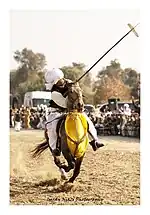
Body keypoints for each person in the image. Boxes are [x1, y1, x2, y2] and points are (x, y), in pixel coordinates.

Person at [44, 68, 104, 156]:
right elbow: (64, 105)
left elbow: (78, 93)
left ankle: (95, 141)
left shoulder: (70, 83)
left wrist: (75, 88)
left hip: (73, 110)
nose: (57, 83)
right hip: (58, 112)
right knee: (52, 129)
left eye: (58, 81)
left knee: (87, 122)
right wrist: (68, 94)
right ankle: (55, 148)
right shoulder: (54, 93)